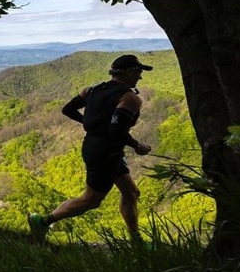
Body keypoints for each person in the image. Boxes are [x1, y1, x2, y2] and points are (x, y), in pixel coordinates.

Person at [28, 54, 153, 241]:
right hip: (105, 153)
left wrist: (91, 124)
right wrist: (137, 145)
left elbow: (68, 109)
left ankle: (136, 240)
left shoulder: (91, 91)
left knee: (131, 192)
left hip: (100, 149)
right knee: (91, 200)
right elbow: (117, 131)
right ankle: (43, 221)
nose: (140, 77)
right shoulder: (130, 99)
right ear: (129, 72)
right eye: (138, 72)